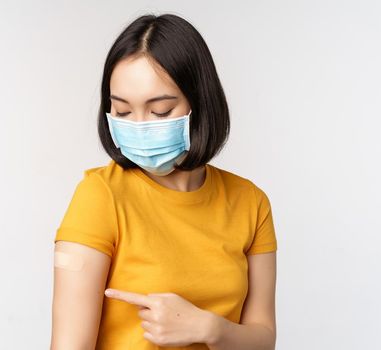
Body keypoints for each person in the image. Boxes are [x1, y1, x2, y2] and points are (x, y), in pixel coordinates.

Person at [51, 13, 278, 349]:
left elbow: (264, 339)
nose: (140, 126)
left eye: (160, 112)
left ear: (200, 104)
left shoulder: (250, 202)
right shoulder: (100, 196)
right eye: (124, 112)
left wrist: (209, 328)